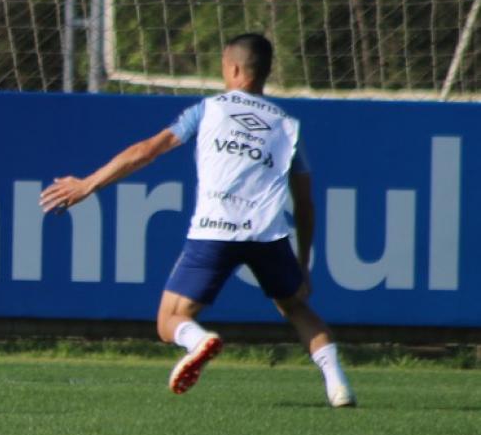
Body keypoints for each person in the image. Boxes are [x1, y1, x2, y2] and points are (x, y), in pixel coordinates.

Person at [39, 33, 355, 407]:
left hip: (215, 229)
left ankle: (197, 340)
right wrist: (302, 264)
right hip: (267, 234)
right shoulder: (288, 127)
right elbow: (305, 203)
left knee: (168, 320)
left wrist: (88, 184)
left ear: (234, 68)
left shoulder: (209, 110)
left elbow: (146, 151)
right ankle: (338, 386)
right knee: (296, 307)